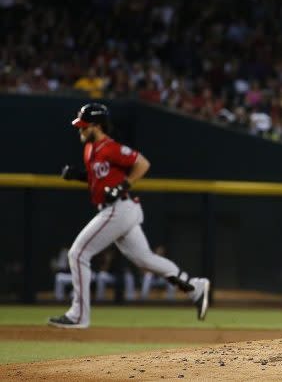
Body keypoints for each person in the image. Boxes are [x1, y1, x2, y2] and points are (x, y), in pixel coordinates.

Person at [48, 103, 210, 329]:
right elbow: (100, 179)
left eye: (85, 126)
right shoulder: (89, 149)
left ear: (97, 125)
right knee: (145, 259)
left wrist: (124, 184)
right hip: (116, 210)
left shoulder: (110, 147)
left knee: (78, 254)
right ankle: (194, 286)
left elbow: (142, 164)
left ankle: (78, 315)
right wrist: (79, 176)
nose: (81, 130)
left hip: (118, 208)